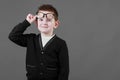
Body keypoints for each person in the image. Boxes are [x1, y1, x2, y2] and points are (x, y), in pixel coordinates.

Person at [8, 4, 69, 80]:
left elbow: (64, 70)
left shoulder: (60, 44)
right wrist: (27, 22)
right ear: (36, 23)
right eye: (41, 19)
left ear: (56, 24)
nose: (44, 22)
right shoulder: (31, 39)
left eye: (49, 20)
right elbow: (13, 36)